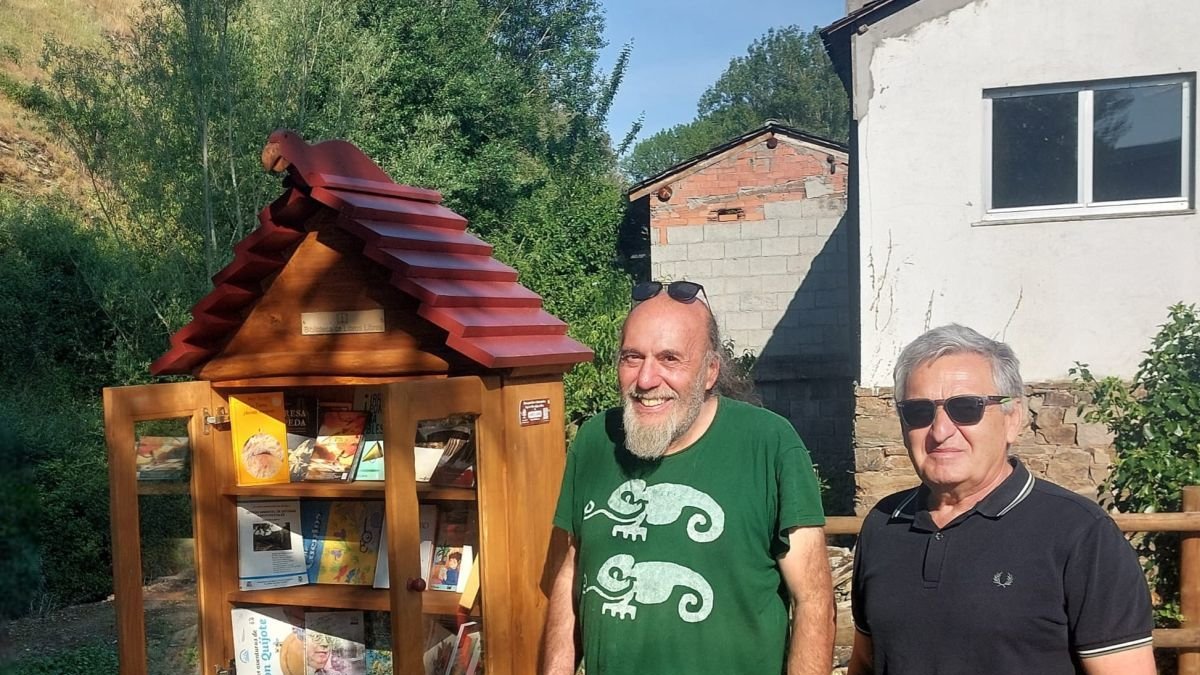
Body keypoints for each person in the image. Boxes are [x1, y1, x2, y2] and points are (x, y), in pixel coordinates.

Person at [541, 280, 834, 675]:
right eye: (632, 357)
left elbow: (814, 599)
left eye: (670, 359)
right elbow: (568, 577)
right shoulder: (594, 441)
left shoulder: (770, 444)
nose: (646, 380)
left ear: (710, 370)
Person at [849, 324, 1155, 675]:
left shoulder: (1080, 534)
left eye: (966, 408)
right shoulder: (885, 524)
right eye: (918, 411)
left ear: (1013, 418)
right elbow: (865, 660)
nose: (940, 430)